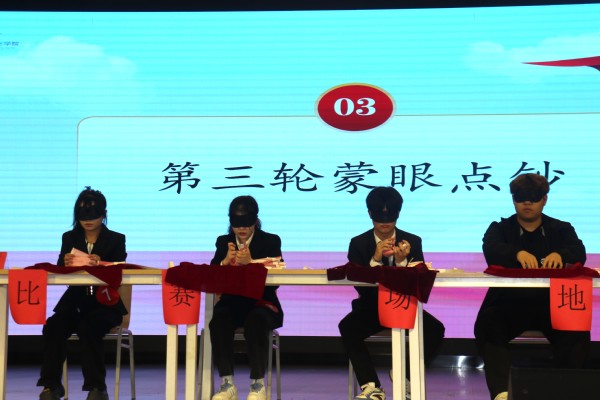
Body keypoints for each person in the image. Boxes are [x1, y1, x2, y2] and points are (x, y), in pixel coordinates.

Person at [474, 173, 589, 400]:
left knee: (577, 331)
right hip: (508, 305)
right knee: (487, 323)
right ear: (513, 200)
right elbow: (492, 249)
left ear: (544, 199)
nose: (527, 203)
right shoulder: (499, 229)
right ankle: (501, 393)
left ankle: (569, 391)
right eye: (520, 198)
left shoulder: (561, 229)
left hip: (552, 306)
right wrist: (516, 253)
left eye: (534, 198)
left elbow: (579, 252)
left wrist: (561, 254)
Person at [339, 186, 445, 400]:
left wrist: (401, 263)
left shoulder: (413, 241)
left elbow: (418, 284)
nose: (385, 221)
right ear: (370, 213)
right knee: (348, 326)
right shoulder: (358, 243)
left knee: (435, 329)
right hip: (372, 308)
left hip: (405, 307)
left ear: (398, 213)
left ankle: (404, 376)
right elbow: (360, 286)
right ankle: (371, 386)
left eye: (391, 215)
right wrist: (375, 260)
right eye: (379, 215)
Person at [37, 187, 128, 400]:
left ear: (104, 214)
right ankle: (51, 385)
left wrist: (102, 263)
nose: (88, 221)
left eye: (93, 216)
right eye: (82, 216)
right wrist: (65, 262)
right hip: (74, 302)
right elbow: (60, 267)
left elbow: (120, 268)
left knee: (89, 328)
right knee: (53, 327)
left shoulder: (116, 239)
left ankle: (97, 387)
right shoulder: (69, 237)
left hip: (104, 303)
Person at [209, 195, 283, 400]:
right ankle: (227, 384)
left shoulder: (270, 241)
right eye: (236, 223)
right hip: (232, 304)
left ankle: (258, 384)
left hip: (262, 303)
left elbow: (276, 279)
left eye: (246, 223)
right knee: (219, 320)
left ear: (255, 221)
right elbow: (212, 278)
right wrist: (224, 262)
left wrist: (251, 263)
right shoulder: (223, 242)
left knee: (256, 320)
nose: (241, 229)